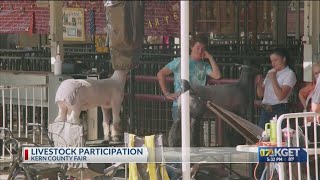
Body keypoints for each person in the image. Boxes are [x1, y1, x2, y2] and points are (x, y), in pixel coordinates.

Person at [157, 34, 221, 123]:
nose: (200, 51)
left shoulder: (204, 66)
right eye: (198, 48)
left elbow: (217, 75)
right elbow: (161, 74)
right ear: (191, 47)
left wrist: (210, 57)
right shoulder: (180, 61)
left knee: (194, 135)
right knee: (181, 135)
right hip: (180, 105)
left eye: (203, 49)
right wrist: (167, 94)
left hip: (197, 106)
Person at [255, 47, 297, 129]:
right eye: (272, 61)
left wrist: (273, 79)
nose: (273, 63)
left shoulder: (289, 74)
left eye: (276, 60)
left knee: (278, 137)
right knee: (262, 135)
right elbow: (260, 95)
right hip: (266, 108)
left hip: (279, 108)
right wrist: (259, 84)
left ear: (284, 59)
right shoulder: (270, 72)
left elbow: (281, 96)